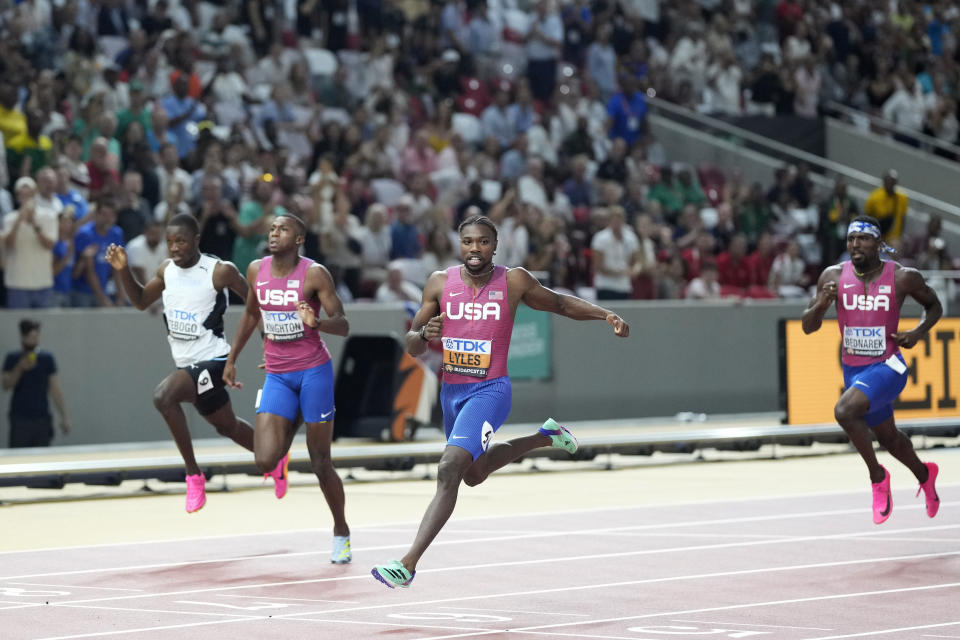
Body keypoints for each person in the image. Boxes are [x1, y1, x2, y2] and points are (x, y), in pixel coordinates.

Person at [371, 215, 630, 588]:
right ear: (459, 245)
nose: (474, 249)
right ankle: (546, 436)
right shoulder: (439, 283)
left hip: (490, 390)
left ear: (495, 246)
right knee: (473, 475)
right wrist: (423, 333)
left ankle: (408, 564)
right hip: (452, 393)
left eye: (483, 242)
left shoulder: (513, 281)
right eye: (468, 242)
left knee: (449, 469)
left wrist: (606, 314)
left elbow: (559, 304)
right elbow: (412, 345)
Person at [104, 214, 286, 513]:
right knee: (226, 426)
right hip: (186, 363)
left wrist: (270, 344)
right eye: (170, 242)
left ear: (197, 240)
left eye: (181, 241)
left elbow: (256, 303)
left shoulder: (219, 271)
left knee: (164, 397)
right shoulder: (166, 270)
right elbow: (139, 301)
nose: (174, 248)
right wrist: (123, 271)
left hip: (214, 360)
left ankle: (193, 475)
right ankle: (274, 459)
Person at [223, 213, 352, 564]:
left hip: (313, 372)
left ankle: (341, 530)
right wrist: (232, 357)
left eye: (283, 229)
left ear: (298, 239)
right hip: (278, 374)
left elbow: (343, 324)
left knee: (320, 461)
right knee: (265, 459)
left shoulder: (313, 274)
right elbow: (252, 314)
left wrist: (318, 322)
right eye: (272, 228)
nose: (274, 233)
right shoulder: (255, 270)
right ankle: (287, 432)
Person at [802, 216, 941, 525]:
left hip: (889, 366)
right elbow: (808, 327)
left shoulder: (903, 277)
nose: (855, 245)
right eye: (851, 239)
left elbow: (935, 306)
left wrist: (917, 333)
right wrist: (822, 304)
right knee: (890, 439)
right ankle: (925, 475)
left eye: (862, 239)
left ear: (878, 243)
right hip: (854, 371)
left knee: (844, 411)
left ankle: (878, 477)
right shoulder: (833, 277)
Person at [2, 319, 70, 447]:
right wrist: (19, 368)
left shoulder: (46, 358)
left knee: (42, 458)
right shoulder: (12, 358)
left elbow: (55, 389)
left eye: (35, 336)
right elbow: (6, 385)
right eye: (30, 337)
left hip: (41, 418)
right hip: (20, 418)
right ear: (23, 337)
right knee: (19, 459)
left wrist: (64, 416)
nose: (33, 340)